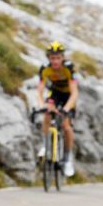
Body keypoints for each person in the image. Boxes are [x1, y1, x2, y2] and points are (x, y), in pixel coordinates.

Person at [37, 41, 79, 177]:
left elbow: (74, 93)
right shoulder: (44, 68)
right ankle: (44, 146)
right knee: (47, 114)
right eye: (52, 58)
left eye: (58, 58)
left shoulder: (68, 68)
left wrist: (66, 109)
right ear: (48, 58)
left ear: (63, 58)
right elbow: (39, 91)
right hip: (55, 93)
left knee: (66, 126)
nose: (55, 61)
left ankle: (67, 158)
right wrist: (42, 105)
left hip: (68, 95)